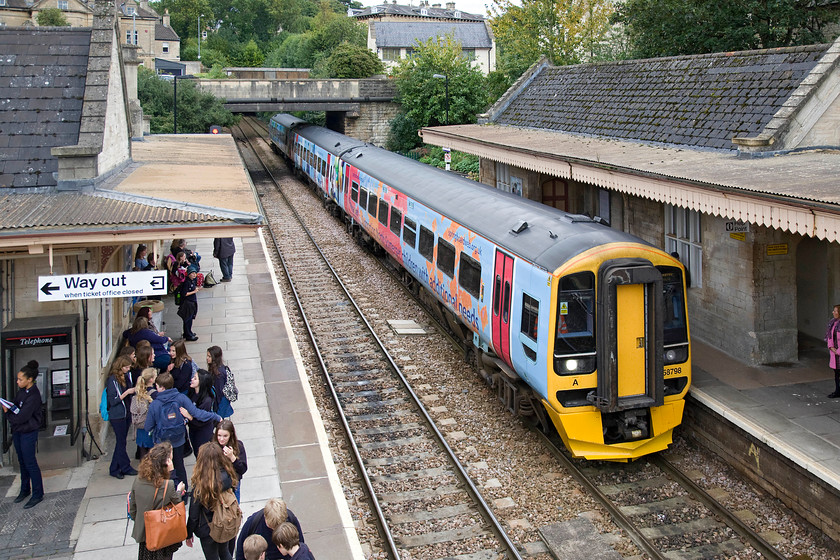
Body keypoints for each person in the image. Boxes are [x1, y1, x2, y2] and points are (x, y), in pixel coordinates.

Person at [145, 372, 221, 491]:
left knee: (164, 466)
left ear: (162, 388)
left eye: (157, 386)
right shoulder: (181, 398)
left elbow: (148, 426)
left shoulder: (155, 404)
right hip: (178, 438)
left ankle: (169, 492)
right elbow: (197, 413)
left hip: (163, 441)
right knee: (179, 464)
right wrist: (215, 417)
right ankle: (183, 493)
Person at [128, 442, 185, 560]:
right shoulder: (167, 485)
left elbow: (133, 507)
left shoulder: (138, 480)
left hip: (144, 532)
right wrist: (177, 486)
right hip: (162, 532)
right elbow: (177, 501)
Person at [1, 360, 44, 509]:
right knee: (22, 461)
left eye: (20, 379)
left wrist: (7, 414)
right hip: (19, 432)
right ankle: (25, 489)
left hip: (28, 432)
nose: (18, 382)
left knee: (30, 462)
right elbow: (17, 405)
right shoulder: (22, 392)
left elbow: (22, 417)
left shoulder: (33, 396)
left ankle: (38, 493)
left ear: (29, 379)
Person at [186, 443, 238, 560]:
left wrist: (188, 533)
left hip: (207, 529)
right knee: (225, 553)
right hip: (224, 522)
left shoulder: (201, 485)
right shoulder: (228, 476)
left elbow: (193, 515)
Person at [235, 499, 304, 560]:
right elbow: (240, 550)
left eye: (278, 527)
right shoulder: (254, 522)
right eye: (271, 526)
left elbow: (300, 543)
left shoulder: (291, 519)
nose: (274, 531)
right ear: (265, 516)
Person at [105, 355, 137, 479]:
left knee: (121, 442)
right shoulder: (112, 380)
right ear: (121, 366)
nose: (128, 369)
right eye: (126, 367)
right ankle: (123, 467)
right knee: (120, 442)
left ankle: (115, 467)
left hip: (126, 413)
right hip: (117, 415)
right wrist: (126, 393)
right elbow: (113, 401)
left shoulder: (126, 376)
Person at [181, 369, 216, 453]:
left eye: (195, 378)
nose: (192, 379)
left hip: (202, 432)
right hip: (193, 429)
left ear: (202, 382)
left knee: (201, 454)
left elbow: (202, 421)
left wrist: (188, 416)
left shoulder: (206, 401)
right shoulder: (192, 392)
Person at [214, 420, 247, 503]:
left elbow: (242, 469)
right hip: (218, 485)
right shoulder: (213, 448)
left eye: (225, 436)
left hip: (233, 484)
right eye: (219, 435)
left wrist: (232, 458)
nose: (221, 439)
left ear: (231, 435)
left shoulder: (238, 446)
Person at [131, 368, 158, 460]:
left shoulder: (139, 391)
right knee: (152, 452)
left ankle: (143, 470)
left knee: (142, 450)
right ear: (151, 379)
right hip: (150, 426)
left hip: (140, 425)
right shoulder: (154, 394)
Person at [207, 346, 233, 418]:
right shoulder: (218, 368)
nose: (207, 358)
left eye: (209, 356)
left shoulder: (219, 374)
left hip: (220, 403)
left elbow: (219, 392)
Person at [178, 265, 201, 342]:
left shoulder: (192, 281)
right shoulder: (187, 282)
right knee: (188, 319)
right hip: (188, 303)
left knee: (190, 319)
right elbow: (184, 293)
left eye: (195, 273)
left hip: (191, 302)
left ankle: (188, 332)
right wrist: (194, 292)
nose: (194, 275)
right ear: (188, 274)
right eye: (192, 273)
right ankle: (188, 335)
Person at [827, 304, 840, 398]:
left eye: (835, 311)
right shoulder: (833, 322)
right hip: (834, 353)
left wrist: (838, 351)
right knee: (837, 374)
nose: (833, 312)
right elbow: (829, 336)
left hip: (838, 353)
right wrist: (831, 346)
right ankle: (837, 391)